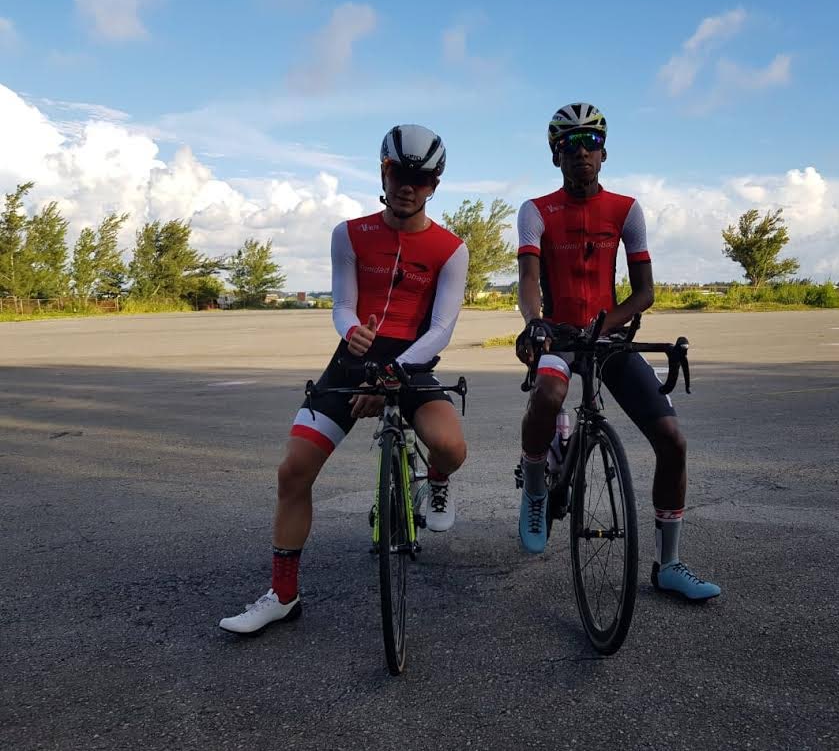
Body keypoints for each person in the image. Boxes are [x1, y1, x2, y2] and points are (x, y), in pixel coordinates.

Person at [220, 124, 470, 634]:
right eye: (400, 172)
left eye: (421, 178)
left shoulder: (450, 249)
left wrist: (393, 374)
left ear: (434, 185)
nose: (408, 185)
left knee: (451, 448)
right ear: (384, 170)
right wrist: (354, 332)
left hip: (413, 360)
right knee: (292, 471)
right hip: (355, 356)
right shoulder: (349, 234)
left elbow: (442, 328)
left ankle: (434, 484)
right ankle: (282, 595)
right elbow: (342, 304)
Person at [514, 102, 720, 600]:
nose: (580, 153)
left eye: (591, 144)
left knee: (672, 440)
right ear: (554, 154)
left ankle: (668, 564)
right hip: (560, 337)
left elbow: (644, 292)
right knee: (546, 395)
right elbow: (528, 281)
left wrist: (606, 323)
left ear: (604, 153)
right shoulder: (536, 211)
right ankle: (537, 487)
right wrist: (535, 323)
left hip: (609, 338)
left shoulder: (627, 210)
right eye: (568, 145)